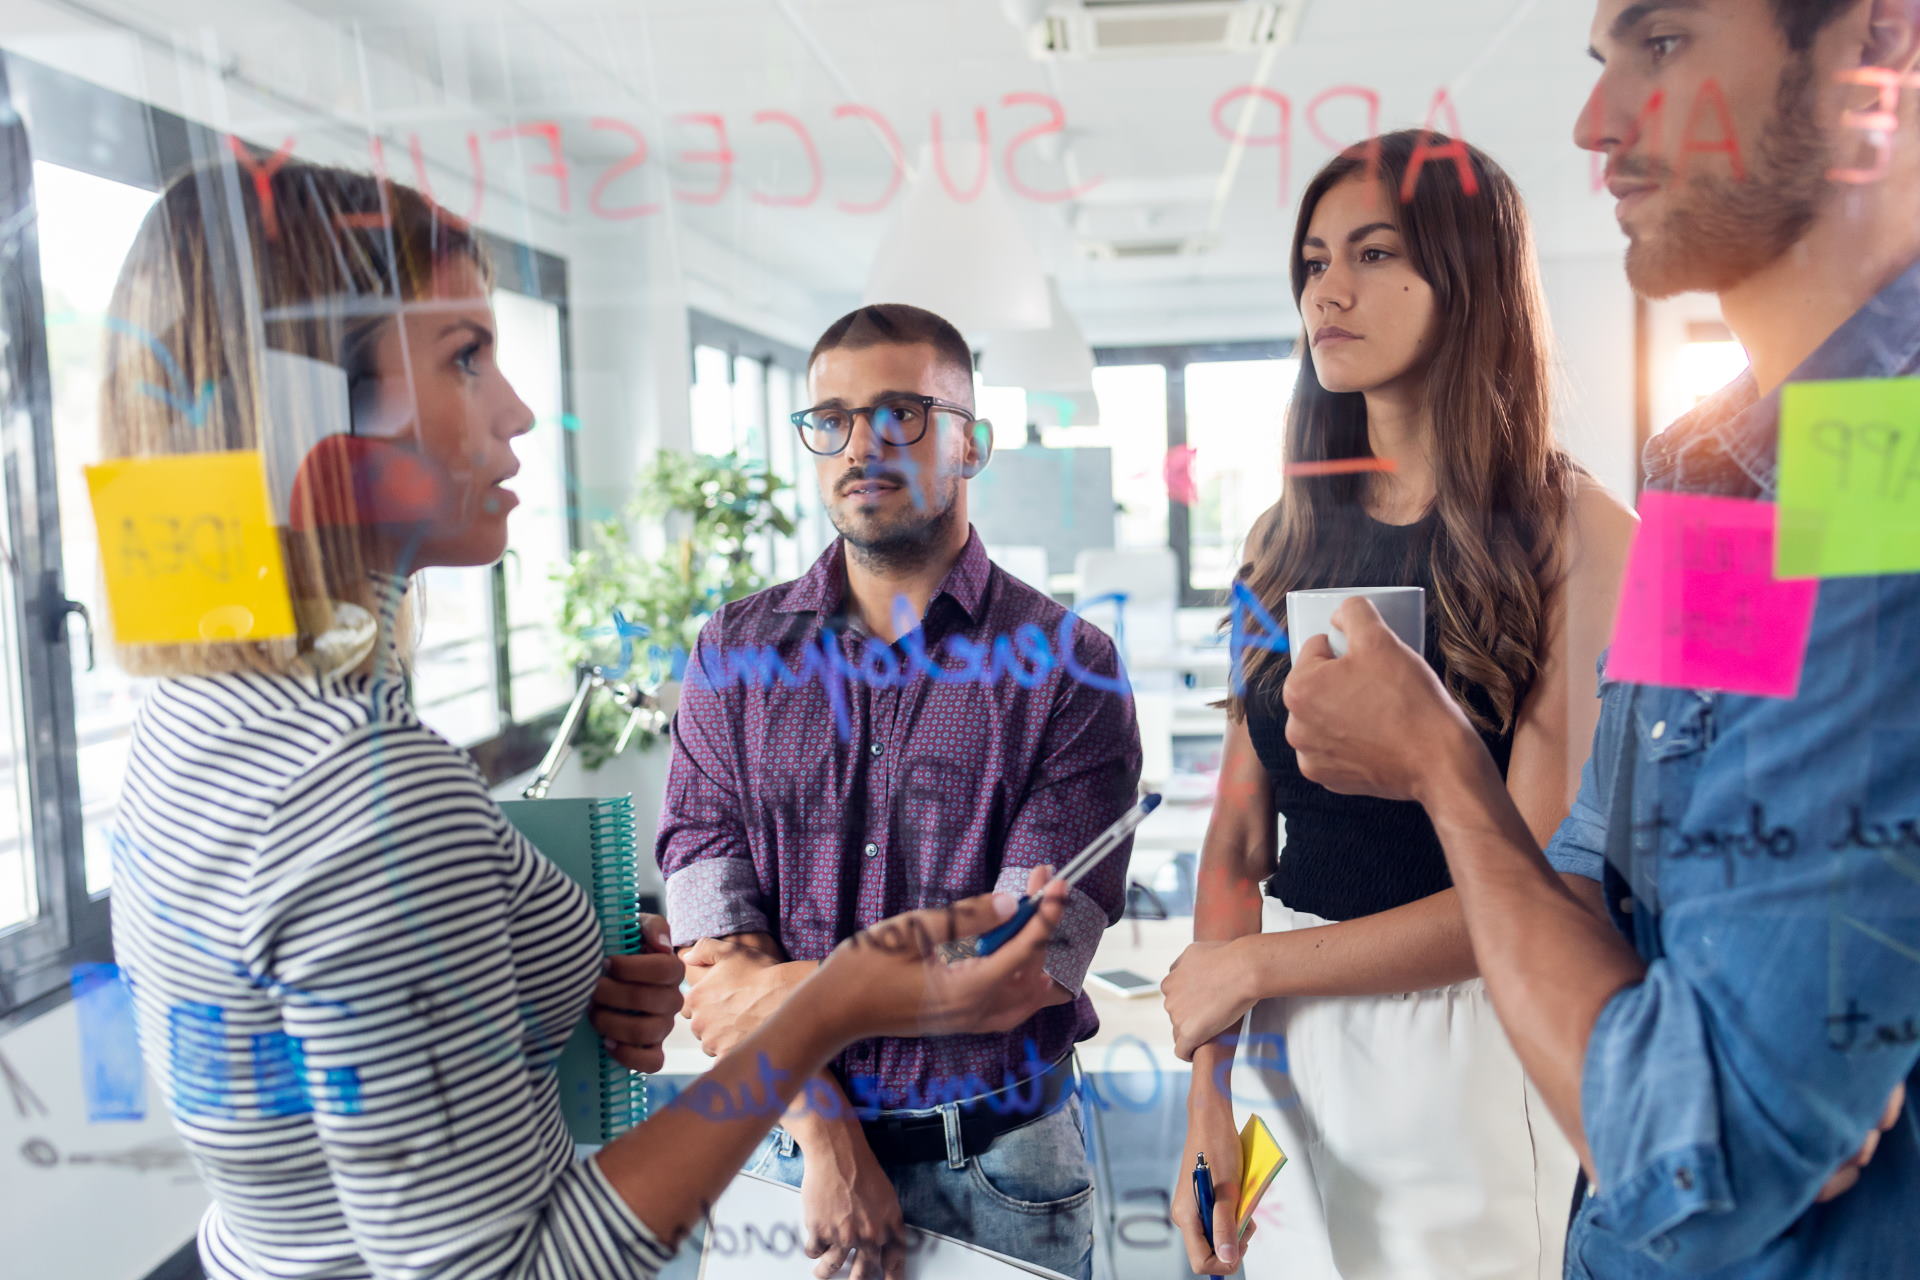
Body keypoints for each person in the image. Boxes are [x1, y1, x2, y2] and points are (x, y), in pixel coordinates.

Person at [103, 160, 1073, 1280]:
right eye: (466, 357)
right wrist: (836, 998)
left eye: (903, 414)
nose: (520, 408)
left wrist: (553, 972)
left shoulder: (200, 710)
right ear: (315, 408)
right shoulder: (368, 789)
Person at [1280, 1, 1919, 1276]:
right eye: (1602, 60)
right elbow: (1603, 860)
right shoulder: (1719, 474)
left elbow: (1701, 1154)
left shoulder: (1884, 463)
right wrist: (1682, 1013)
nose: (1596, 121)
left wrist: (1444, 769)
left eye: (1665, 43)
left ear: (1877, 44)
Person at [1160, 130, 1639, 1279]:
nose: (1330, 288)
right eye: (1316, 260)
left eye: (1374, 254)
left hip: (1468, 1038)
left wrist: (1257, 970)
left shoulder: (1578, 535)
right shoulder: (1277, 548)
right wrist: (1209, 1093)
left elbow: (1533, 887)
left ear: (1465, 277)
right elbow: (1238, 834)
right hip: (1278, 1043)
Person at [656, 303, 1142, 1280]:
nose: (860, 442)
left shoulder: (1069, 669)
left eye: (903, 413)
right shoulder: (731, 654)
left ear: (974, 442)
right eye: (829, 417)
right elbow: (714, 948)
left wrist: (783, 994)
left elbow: (1018, 970)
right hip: (786, 1150)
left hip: (1004, 1172)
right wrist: (828, 1131)